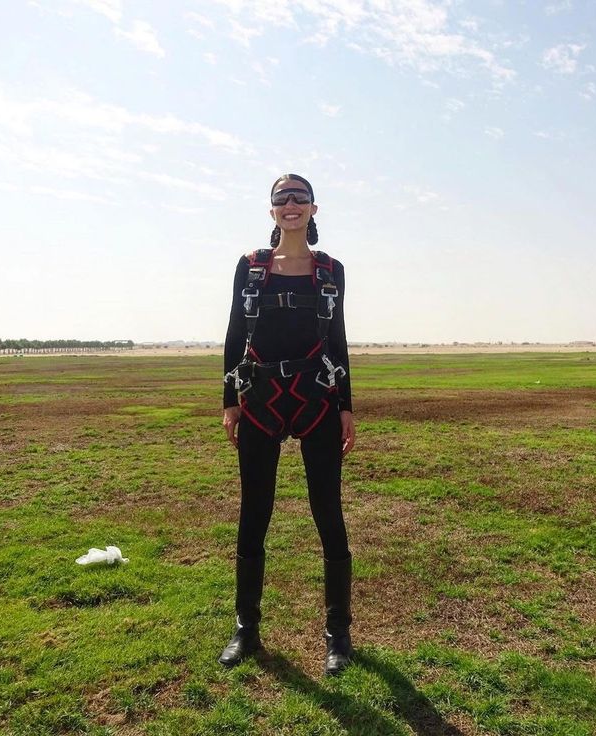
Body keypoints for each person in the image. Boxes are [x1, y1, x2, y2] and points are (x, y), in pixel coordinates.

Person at [220, 174, 356, 675]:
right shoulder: (251, 267)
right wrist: (229, 399)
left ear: (314, 209)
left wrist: (347, 405)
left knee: (328, 511)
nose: (291, 205)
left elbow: (338, 339)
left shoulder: (331, 271)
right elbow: (235, 332)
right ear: (272, 211)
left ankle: (338, 634)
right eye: (282, 199)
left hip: (316, 399)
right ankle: (245, 630)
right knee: (255, 511)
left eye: (299, 198)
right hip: (259, 398)